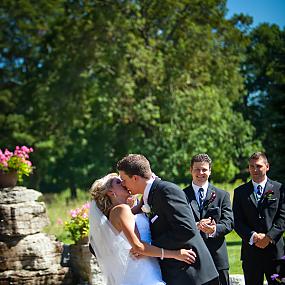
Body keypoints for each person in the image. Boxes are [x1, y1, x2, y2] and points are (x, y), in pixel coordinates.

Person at [117, 154, 219, 285]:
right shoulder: (150, 196)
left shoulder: (166, 191)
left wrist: (149, 247)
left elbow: (186, 229)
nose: (123, 184)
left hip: (193, 274)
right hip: (176, 273)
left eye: (124, 179)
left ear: (135, 178)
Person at [88, 172, 196, 285]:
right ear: (110, 192)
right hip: (142, 270)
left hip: (142, 268)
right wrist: (176, 254)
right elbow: (138, 247)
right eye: (119, 182)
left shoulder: (117, 212)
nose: (124, 183)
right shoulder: (122, 209)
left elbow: (136, 210)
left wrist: (149, 184)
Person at [233, 152, 285, 285]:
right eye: (251, 166)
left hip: (275, 254)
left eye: (259, 166)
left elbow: (282, 217)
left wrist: (268, 238)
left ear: (267, 167)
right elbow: (237, 221)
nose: (255, 170)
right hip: (251, 253)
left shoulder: (279, 189)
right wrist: (253, 236)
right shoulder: (240, 192)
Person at [183, 153, 234, 285]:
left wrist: (213, 229)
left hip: (217, 258)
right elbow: (177, 224)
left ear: (210, 171)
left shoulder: (222, 195)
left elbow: (229, 222)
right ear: (191, 170)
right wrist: (196, 225)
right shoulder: (181, 196)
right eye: (197, 169)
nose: (201, 173)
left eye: (204, 169)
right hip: (191, 258)